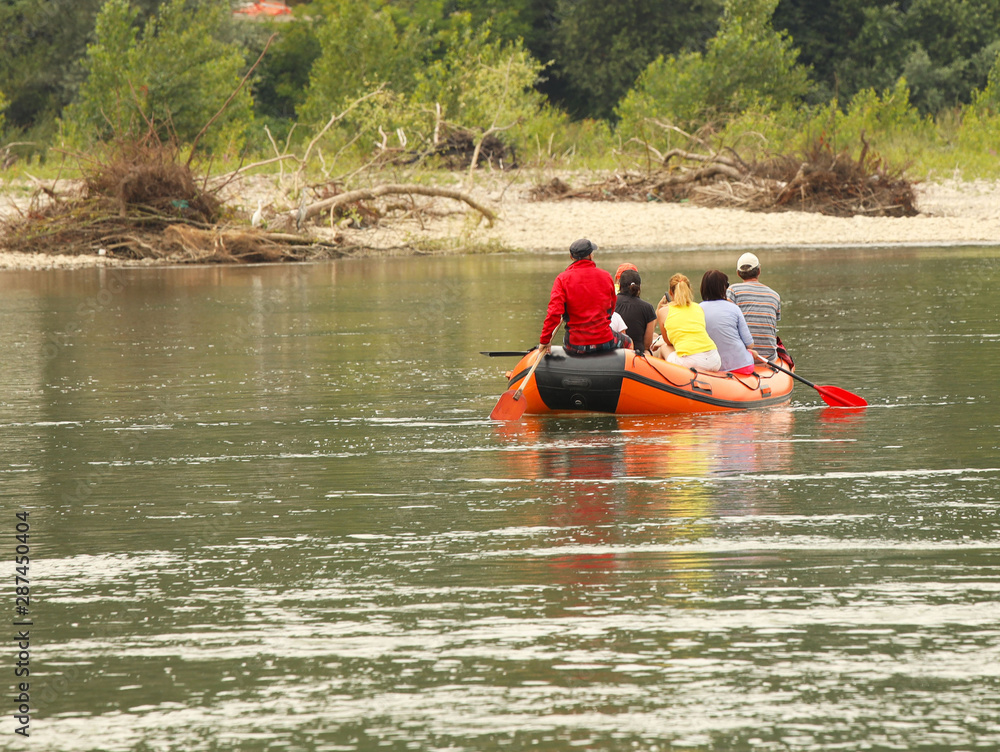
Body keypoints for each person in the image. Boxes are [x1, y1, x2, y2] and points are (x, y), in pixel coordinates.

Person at [539, 239, 632, 354]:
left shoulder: (562, 279)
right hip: (605, 339)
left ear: (571, 257)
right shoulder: (606, 276)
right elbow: (611, 309)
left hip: (574, 344)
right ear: (590, 255)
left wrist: (545, 340)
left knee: (567, 340)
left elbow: (554, 313)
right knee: (629, 342)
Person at [651, 273, 721, 370]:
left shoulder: (663, 311)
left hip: (692, 361)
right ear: (689, 290)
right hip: (714, 359)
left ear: (670, 293)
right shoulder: (699, 307)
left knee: (664, 348)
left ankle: (661, 380)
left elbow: (668, 342)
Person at [726, 252, 781, 361]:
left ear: (738, 273)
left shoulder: (732, 291)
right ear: (759, 271)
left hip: (741, 357)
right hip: (769, 358)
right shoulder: (774, 295)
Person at [700, 269, 755, 375]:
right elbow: (750, 344)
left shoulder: (697, 310)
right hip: (742, 366)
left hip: (711, 367)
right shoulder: (734, 308)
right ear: (724, 288)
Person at [615, 268, 657, 352]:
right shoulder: (647, 307)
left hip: (615, 354)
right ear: (639, 286)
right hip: (638, 355)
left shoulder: (609, 303)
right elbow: (647, 345)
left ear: (619, 285)